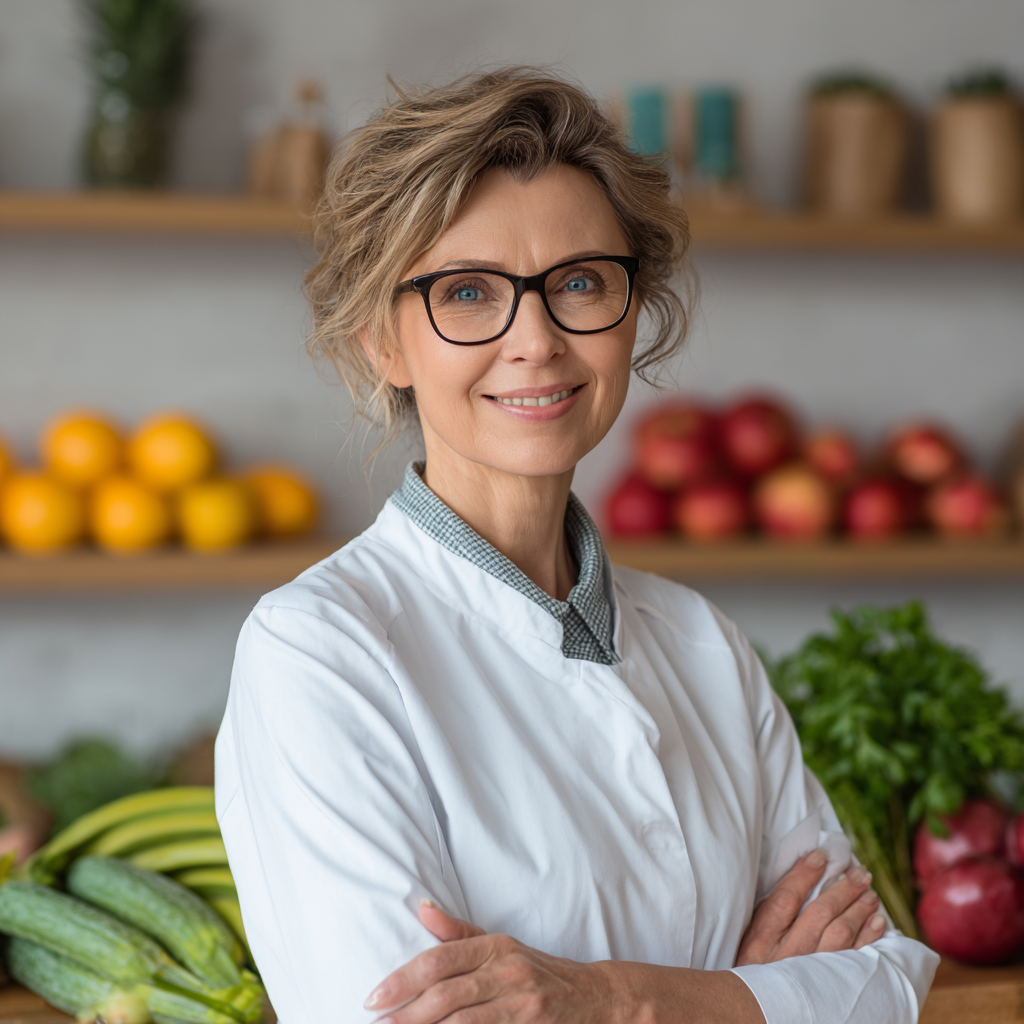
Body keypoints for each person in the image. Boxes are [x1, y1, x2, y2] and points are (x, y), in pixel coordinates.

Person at [215, 68, 938, 1023]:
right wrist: (751, 995)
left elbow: (882, 984)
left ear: (632, 312)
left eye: (581, 282)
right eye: (469, 292)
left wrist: (609, 1001)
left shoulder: (698, 640)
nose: (537, 338)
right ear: (381, 344)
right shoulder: (319, 651)